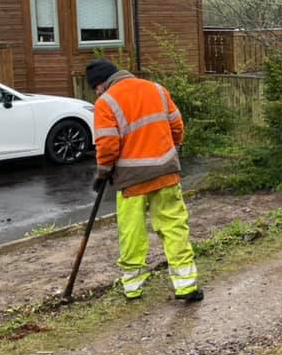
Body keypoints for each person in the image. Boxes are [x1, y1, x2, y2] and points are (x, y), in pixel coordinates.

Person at [86, 59, 203, 302]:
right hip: (166, 174)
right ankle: (186, 286)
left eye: (96, 87)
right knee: (174, 227)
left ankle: (132, 288)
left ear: (102, 83)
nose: (97, 92)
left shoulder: (105, 103)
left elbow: (107, 145)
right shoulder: (157, 89)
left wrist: (103, 173)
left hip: (131, 182)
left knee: (132, 232)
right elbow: (177, 126)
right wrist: (172, 150)